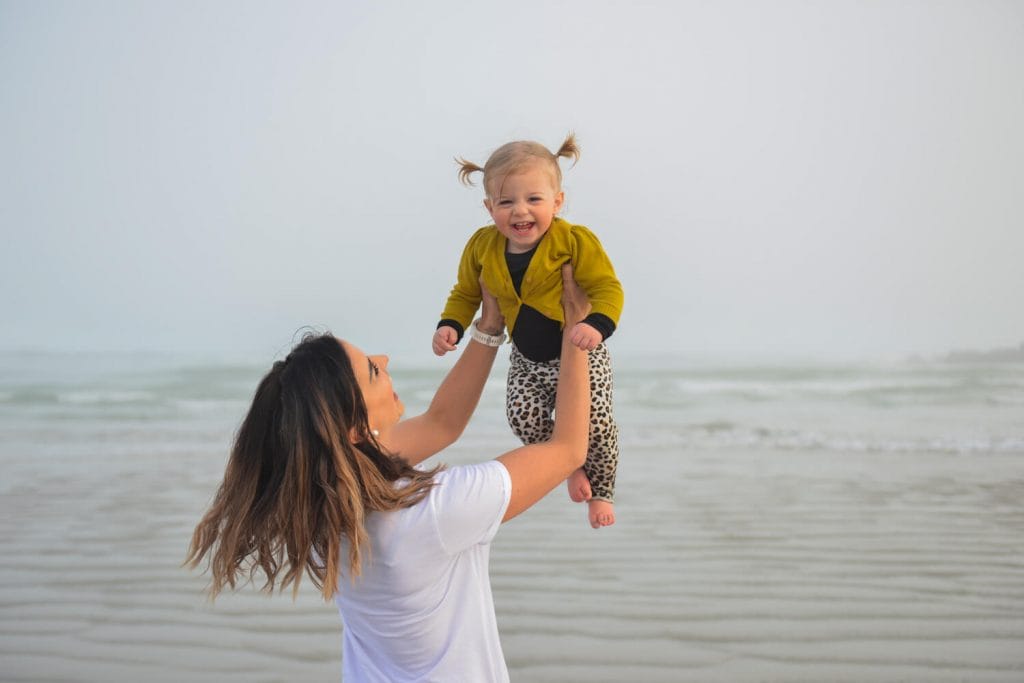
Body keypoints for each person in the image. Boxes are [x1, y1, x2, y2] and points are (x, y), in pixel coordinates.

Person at [186, 267, 591, 682]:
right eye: (372, 371)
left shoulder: (322, 506)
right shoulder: (432, 511)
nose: (384, 360)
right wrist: (576, 325)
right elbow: (568, 448)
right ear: (356, 429)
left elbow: (442, 422)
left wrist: (489, 323)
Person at [433, 133, 624, 528]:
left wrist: (596, 324)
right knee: (522, 416)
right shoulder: (481, 248)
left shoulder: (573, 241)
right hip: (526, 359)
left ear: (558, 201)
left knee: (598, 420)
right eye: (506, 202)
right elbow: (465, 292)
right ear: (489, 208)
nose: (520, 211)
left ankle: (601, 491)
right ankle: (568, 465)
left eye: (534, 199)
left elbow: (607, 287)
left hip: (580, 350)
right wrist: (450, 324)